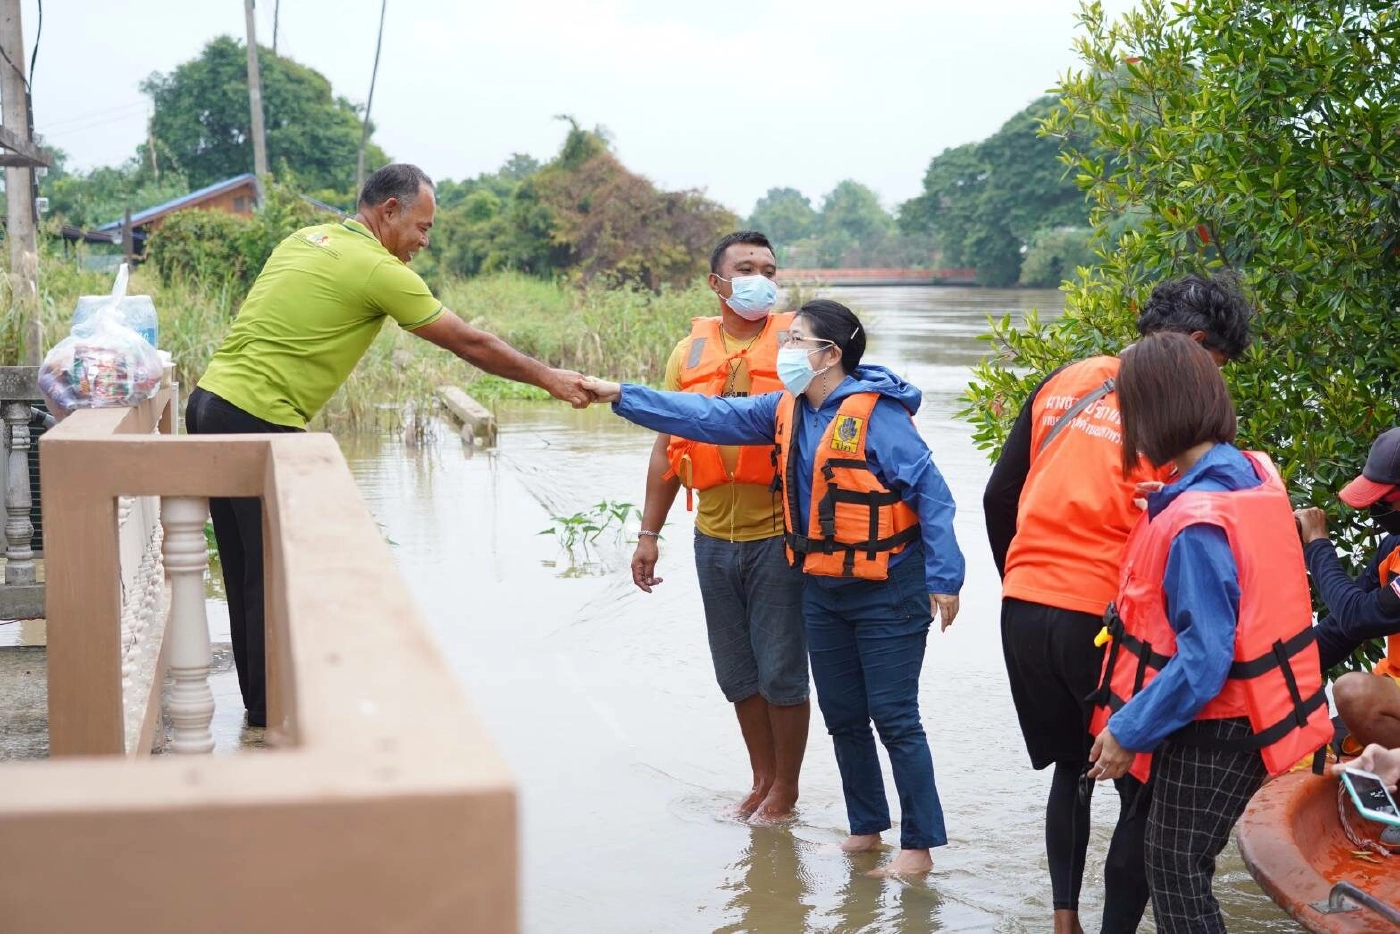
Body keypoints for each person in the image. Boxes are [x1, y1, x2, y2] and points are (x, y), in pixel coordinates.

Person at [188, 163, 592, 728]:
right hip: (259, 416)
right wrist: (549, 377)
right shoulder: (379, 269)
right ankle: (273, 707)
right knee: (278, 573)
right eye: (422, 228)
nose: (424, 243)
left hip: (208, 402)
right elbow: (469, 342)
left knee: (245, 567)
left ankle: (263, 702)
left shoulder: (306, 237)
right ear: (389, 211)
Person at [583, 299, 964, 877]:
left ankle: (919, 847)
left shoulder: (878, 416)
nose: (784, 351)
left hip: (888, 586)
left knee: (894, 716)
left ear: (829, 355)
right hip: (821, 586)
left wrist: (945, 578)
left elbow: (931, 494)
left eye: (796, 341)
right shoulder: (784, 408)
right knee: (842, 715)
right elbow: (703, 417)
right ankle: (866, 828)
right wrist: (618, 393)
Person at [982, 273, 1254, 934]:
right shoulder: (1175, 409)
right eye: (1216, 366)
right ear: (1195, 345)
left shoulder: (1067, 380)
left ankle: (1064, 920)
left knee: (1072, 769)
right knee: (1145, 788)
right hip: (1107, 627)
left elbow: (998, 496)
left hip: (1023, 608)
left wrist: (1023, 580)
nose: (1214, 382)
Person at [1087, 332, 1332, 934]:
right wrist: (1168, 499)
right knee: (1178, 861)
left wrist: (1127, 729)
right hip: (1254, 714)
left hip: (1219, 724)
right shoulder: (1243, 472)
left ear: (1156, 411)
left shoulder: (1197, 523)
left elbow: (1204, 660)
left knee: (1176, 867)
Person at [629, 231, 809, 824]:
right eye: (746, 267)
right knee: (735, 668)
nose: (760, 276)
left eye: (769, 268)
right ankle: (760, 778)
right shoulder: (688, 353)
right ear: (717, 282)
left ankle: (786, 788)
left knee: (781, 667)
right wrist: (649, 534)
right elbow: (667, 447)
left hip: (779, 534)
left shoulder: (798, 345)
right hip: (713, 536)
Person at [1295, 426, 1400, 749]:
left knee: (1353, 692)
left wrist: (1317, 544)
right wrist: (1281, 668)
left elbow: (1357, 617)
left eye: (1385, 500)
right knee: (1326, 742)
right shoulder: (1394, 547)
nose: (1376, 511)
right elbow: (1343, 628)